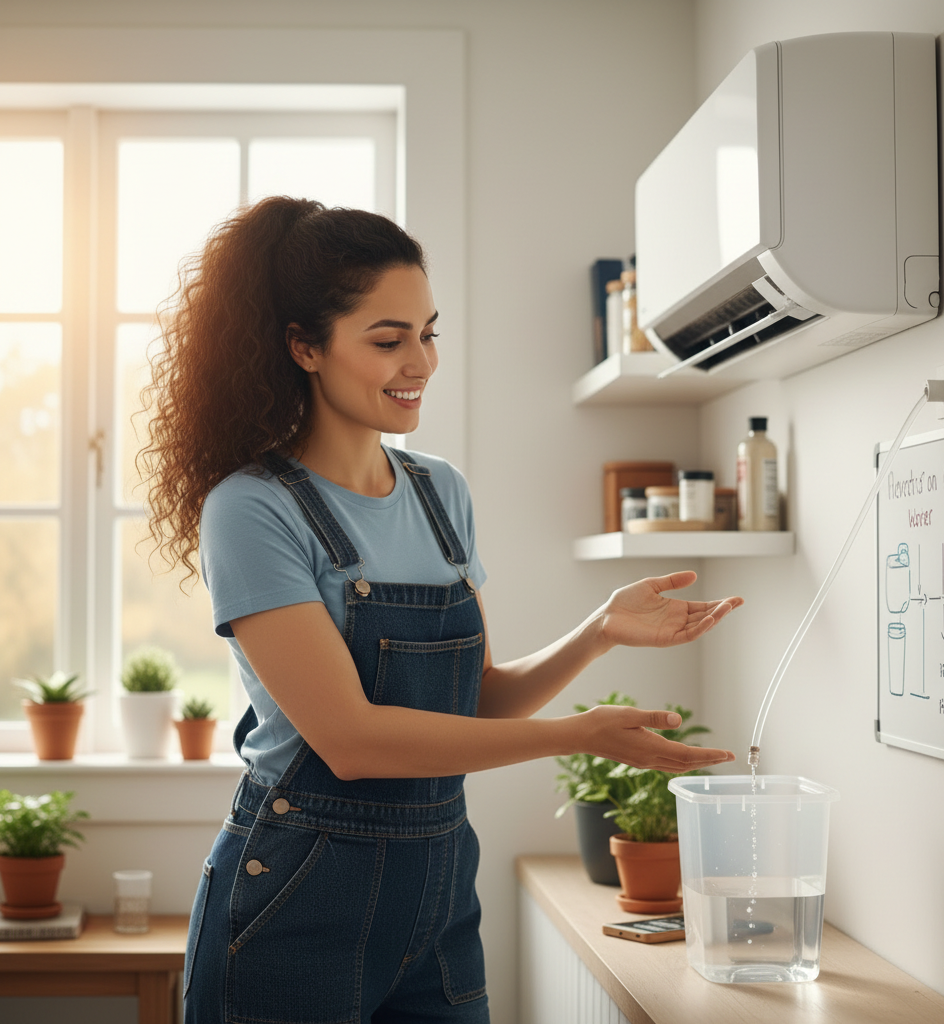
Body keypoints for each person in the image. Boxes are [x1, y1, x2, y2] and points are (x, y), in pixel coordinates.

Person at [142, 196, 742, 1024]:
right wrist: (576, 734)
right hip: (295, 900)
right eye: (387, 341)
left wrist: (598, 632)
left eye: (428, 332)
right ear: (304, 346)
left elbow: (478, 698)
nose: (419, 360)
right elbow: (352, 742)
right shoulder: (252, 509)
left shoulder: (439, 492)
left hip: (438, 896)